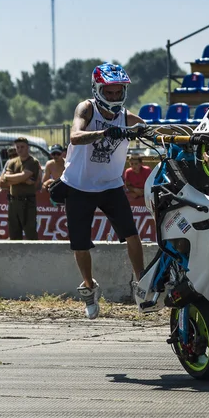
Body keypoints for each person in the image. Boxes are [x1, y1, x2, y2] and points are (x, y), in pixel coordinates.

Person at [60, 63, 146, 320]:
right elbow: (75, 136)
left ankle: (141, 283)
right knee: (80, 245)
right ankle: (89, 286)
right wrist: (105, 132)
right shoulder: (86, 108)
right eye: (108, 92)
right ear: (98, 90)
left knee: (132, 234)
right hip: (78, 185)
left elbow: (151, 129)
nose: (113, 97)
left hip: (110, 185)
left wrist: (149, 132)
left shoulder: (126, 116)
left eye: (117, 92)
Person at [0, 137, 39, 239]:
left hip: (28, 202)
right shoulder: (12, 162)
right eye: (17, 147)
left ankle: (33, 254)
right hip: (13, 202)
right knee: (14, 233)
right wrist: (22, 179)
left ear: (27, 147)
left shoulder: (33, 162)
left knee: (30, 232)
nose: (19, 149)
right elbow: (2, 182)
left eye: (22, 147)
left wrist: (11, 178)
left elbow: (23, 175)